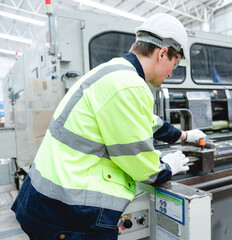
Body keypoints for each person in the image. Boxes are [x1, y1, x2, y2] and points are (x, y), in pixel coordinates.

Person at [11, 13, 206, 240]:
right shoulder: (128, 85)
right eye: (175, 62)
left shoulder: (114, 72)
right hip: (68, 213)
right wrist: (167, 168)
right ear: (163, 53)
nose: (172, 72)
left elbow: (143, 120)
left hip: (45, 200)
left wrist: (182, 135)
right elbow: (142, 166)